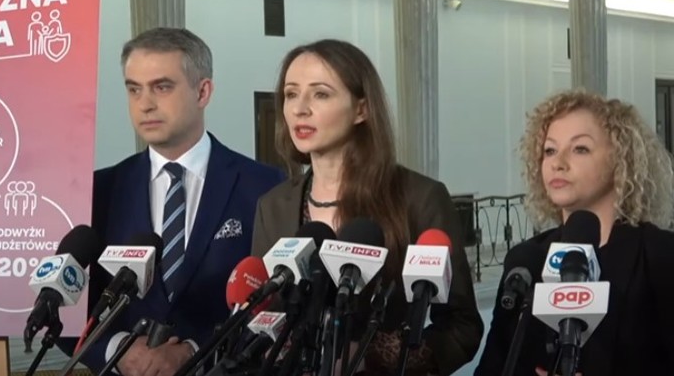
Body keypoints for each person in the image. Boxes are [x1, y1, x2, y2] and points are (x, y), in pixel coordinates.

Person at [59, 27, 285, 376]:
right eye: (134, 89)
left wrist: (196, 351)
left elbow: (279, 305)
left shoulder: (265, 186)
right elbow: (63, 307)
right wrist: (116, 350)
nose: (145, 104)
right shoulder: (98, 191)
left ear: (203, 91)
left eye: (162, 87)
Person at [251, 39, 484, 376]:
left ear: (361, 109)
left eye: (320, 94)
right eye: (291, 94)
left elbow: (462, 327)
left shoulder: (419, 198)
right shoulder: (272, 206)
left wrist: (371, 355)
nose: (300, 108)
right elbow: (264, 314)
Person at [474, 88, 674, 375]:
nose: (558, 163)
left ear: (621, 159)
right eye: (550, 150)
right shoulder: (526, 260)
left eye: (580, 148)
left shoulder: (659, 255)